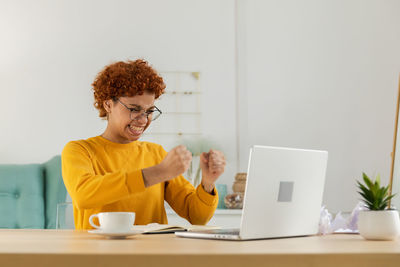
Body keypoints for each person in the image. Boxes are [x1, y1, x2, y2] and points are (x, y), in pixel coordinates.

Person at [62, 59, 226, 230]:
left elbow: (197, 216)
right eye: (134, 109)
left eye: (149, 111)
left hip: (150, 254)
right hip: (98, 254)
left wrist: (208, 183)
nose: (143, 119)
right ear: (108, 104)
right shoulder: (80, 150)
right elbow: (84, 195)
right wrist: (156, 173)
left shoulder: (156, 154)